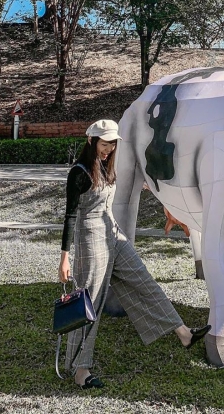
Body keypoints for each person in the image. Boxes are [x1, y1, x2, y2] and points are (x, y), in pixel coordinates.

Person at [59, 119, 210, 389]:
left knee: (144, 280)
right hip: (91, 240)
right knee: (90, 303)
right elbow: (70, 217)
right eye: (105, 144)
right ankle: (81, 370)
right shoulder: (79, 173)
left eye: (112, 145)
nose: (109, 149)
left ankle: (184, 333)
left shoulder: (106, 168)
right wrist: (64, 258)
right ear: (92, 141)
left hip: (114, 235)